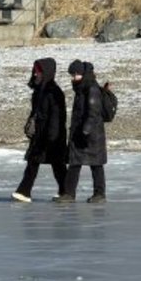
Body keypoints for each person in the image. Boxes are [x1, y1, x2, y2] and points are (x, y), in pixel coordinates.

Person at [12, 58, 68, 203]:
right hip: (40, 134)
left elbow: (57, 117)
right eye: (35, 71)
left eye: (38, 72)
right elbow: (36, 112)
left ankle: (66, 191)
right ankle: (24, 191)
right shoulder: (39, 91)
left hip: (52, 135)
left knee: (57, 164)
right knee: (34, 162)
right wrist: (30, 124)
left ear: (46, 72)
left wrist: (52, 136)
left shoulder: (54, 92)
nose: (35, 74)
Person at [58, 59, 107, 203]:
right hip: (81, 132)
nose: (73, 78)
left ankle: (99, 194)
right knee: (75, 163)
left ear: (83, 74)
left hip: (92, 134)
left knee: (96, 164)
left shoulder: (91, 89)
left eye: (76, 74)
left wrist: (86, 131)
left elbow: (93, 112)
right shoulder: (81, 88)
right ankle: (69, 194)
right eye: (72, 75)